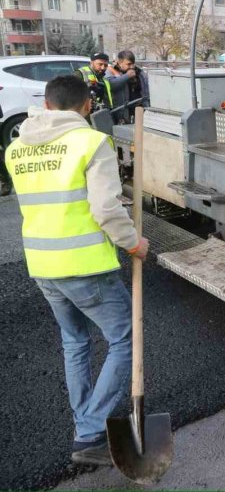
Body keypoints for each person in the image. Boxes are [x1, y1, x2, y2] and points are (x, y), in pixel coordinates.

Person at [3, 75, 149, 466]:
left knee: (75, 343)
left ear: (47, 105)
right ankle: (88, 431)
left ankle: (85, 425)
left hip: (43, 264)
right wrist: (133, 242)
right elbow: (105, 209)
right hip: (84, 266)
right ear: (88, 106)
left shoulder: (16, 149)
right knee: (126, 340)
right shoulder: (91, 142)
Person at [106, 50, 150, 122]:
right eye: (128, 64)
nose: (132, 67)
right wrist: (127, 76)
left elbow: (146, 89)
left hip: (140, 111)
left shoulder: (139, 72)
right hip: (121, 113)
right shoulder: (111, 71)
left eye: (133, 64)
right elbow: (110, 85)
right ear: (120, 63)